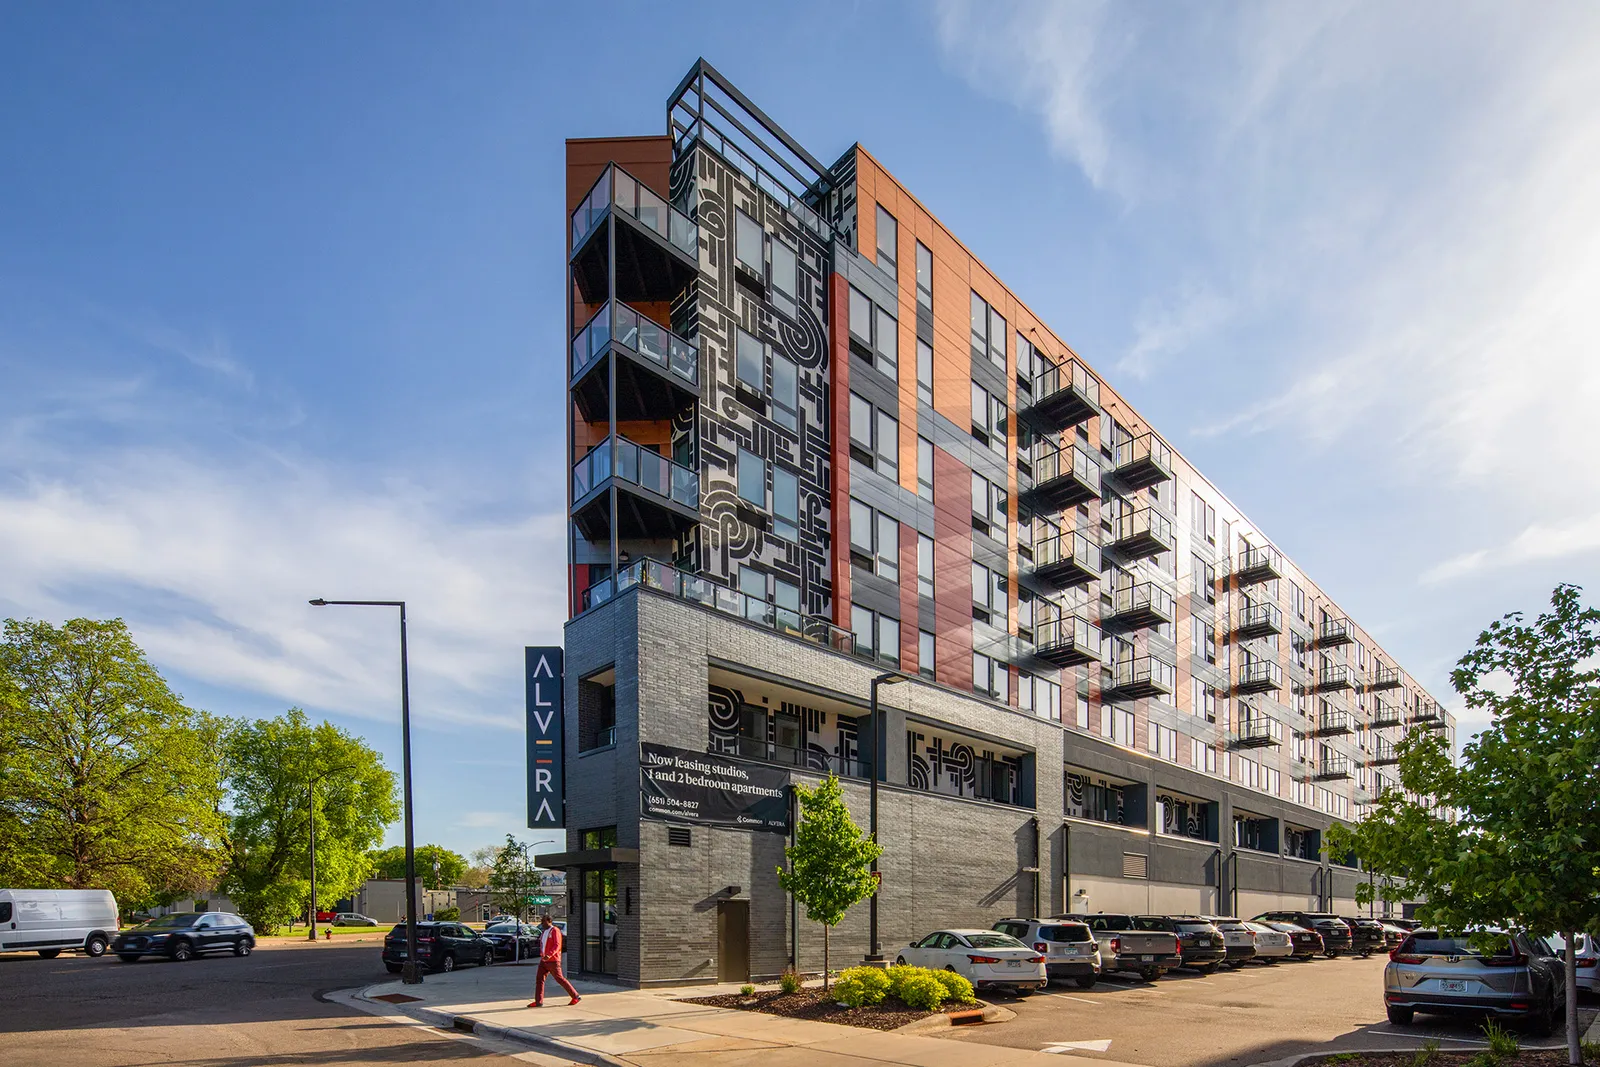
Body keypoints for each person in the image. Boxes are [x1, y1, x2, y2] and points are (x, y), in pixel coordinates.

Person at [528, 914, 579, 1007]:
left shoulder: (555, 930)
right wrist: (543, 954)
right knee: (539, 979)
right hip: (544, 960)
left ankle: (575, 996)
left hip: (553, 960)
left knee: (559, 978)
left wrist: (549, 954)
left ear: (549, 921)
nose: (542, 923)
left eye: (543, 921)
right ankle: (538, 1001)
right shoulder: (544, 932)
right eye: (541, 921)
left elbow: (557, 945)